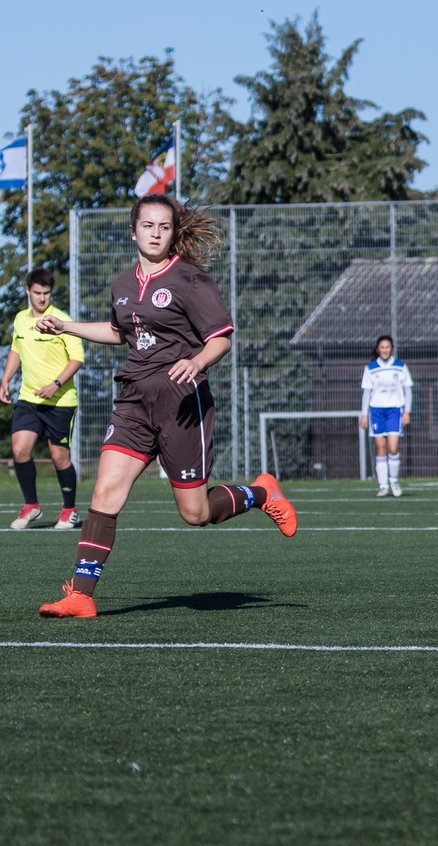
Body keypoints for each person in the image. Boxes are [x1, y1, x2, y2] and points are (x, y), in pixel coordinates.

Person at [34, 194, 297, 619]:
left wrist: (196, 361)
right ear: (132, 230)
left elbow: (221, 338)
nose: (155, 233)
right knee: (104, 493)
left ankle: (260, 491)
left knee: (195, 513)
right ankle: (81, 595)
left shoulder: (191, 281)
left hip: (181, 405)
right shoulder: (122, 285)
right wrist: (67, 325)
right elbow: (121, 333)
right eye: (148, 225)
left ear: (173, 233)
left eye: (164, 227)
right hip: (135, 400)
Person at [2, 269, 84, 530]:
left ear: (51, 293)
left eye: (46, 293)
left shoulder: (61, 321)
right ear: (28, 291)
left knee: (59, 457)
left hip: (60, 401)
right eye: (37, 293)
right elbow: (17, 349)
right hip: (28, 399)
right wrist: (5, 379)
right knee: (19, 449)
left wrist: (55, 384)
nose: (41, 298)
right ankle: (32, 506)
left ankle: (69, 511)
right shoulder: (20, 320)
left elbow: (77, 359)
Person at [359, 335, 413, 497]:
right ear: (378, 349)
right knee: (380, 448)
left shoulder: (400, 367)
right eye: (382, 347)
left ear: (392, 348)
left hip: (394, 411)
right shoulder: (370, 368)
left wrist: (407, 411)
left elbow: (408, 390)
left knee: (393, 447)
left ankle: (394, 481)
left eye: (387, 347)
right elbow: (366, 393)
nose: (385, 350)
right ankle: (383, 486)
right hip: (376, 412)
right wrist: (364, 415)